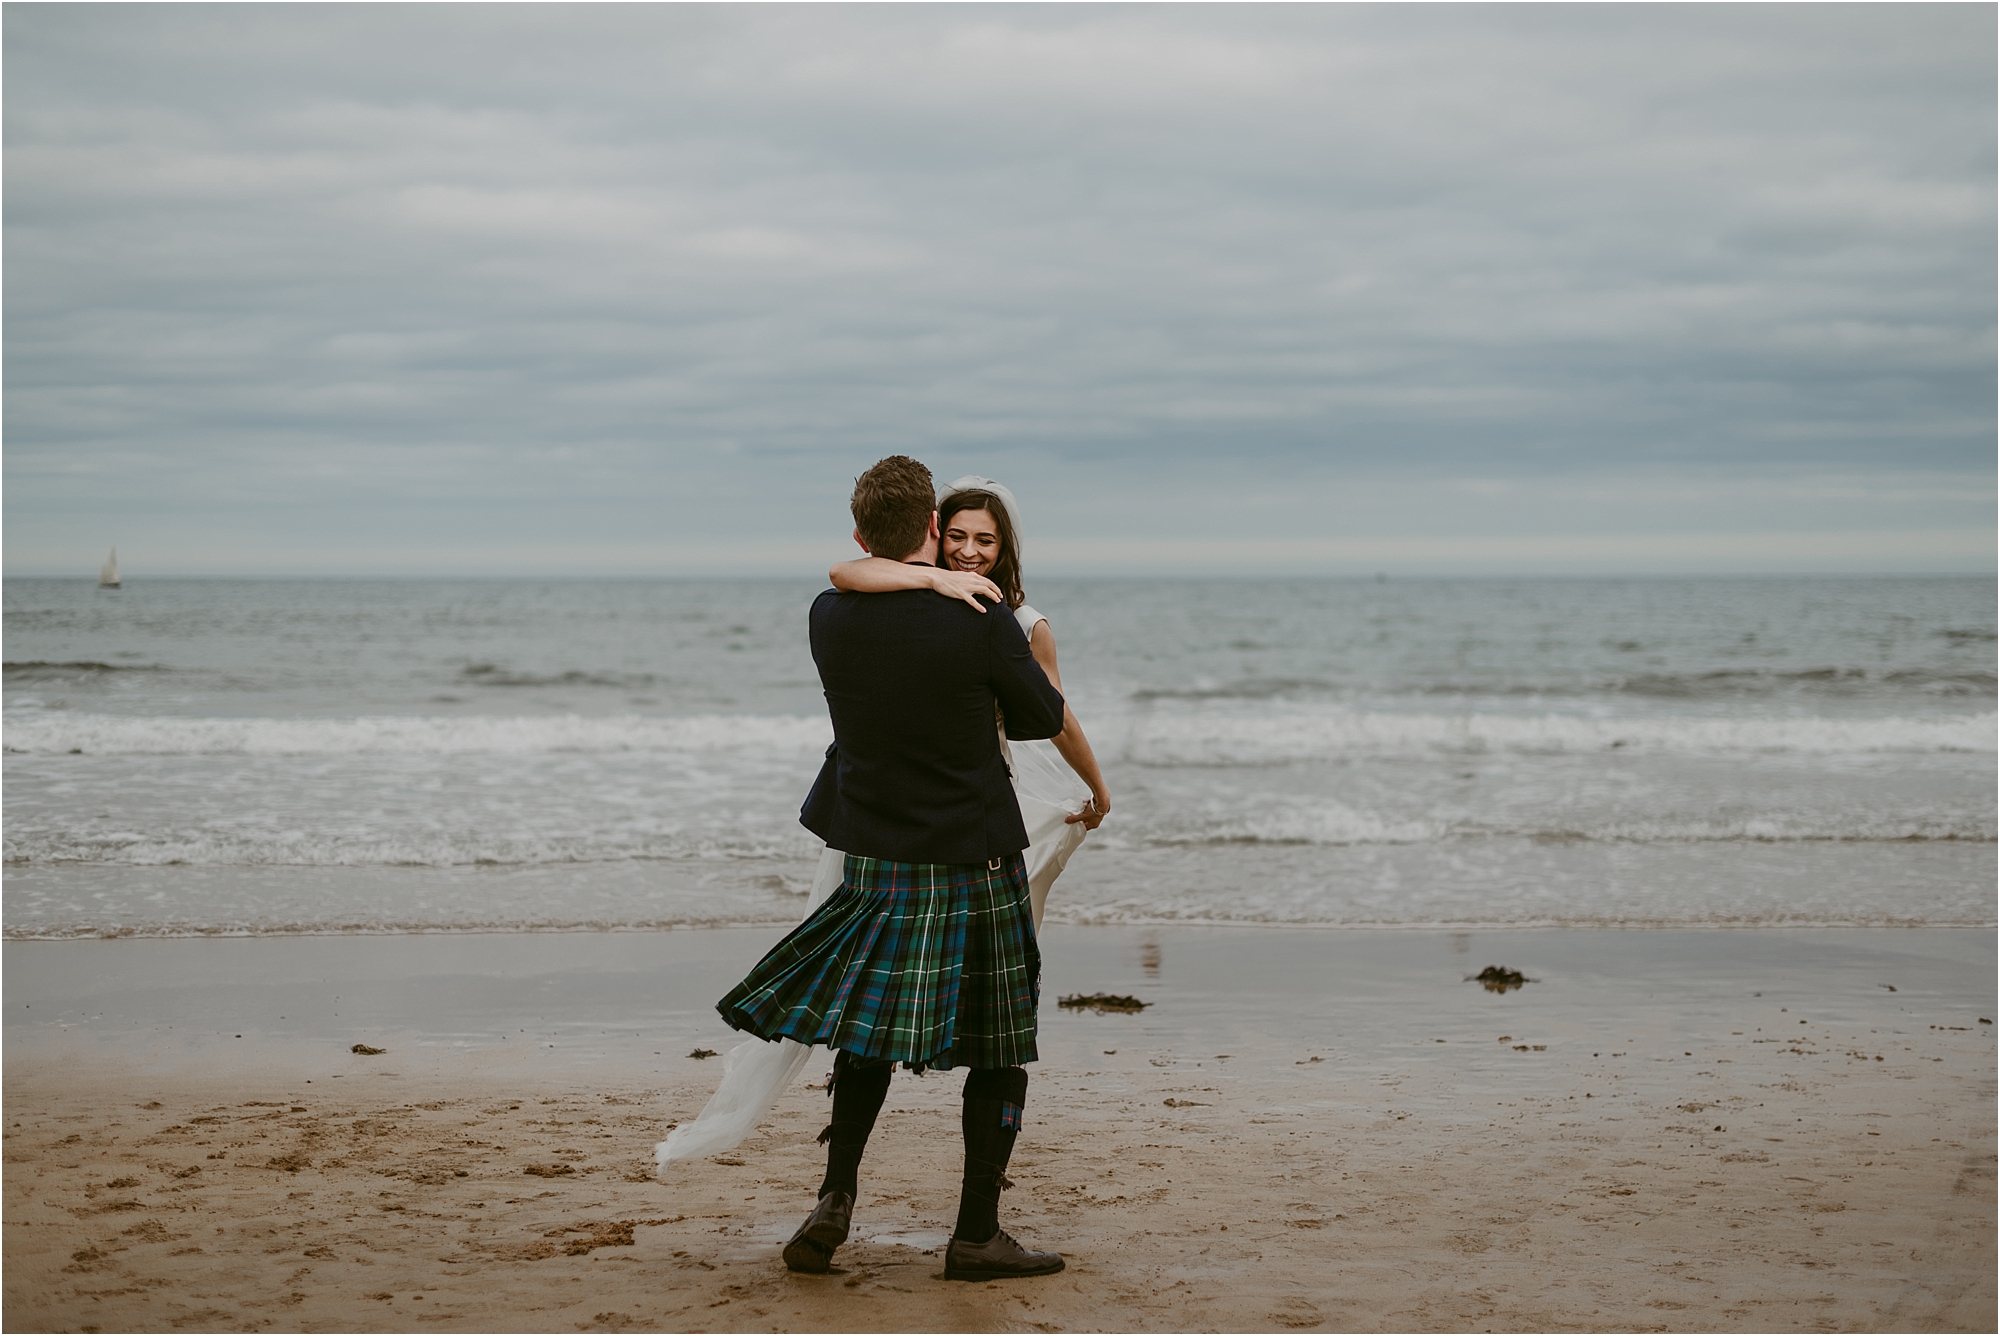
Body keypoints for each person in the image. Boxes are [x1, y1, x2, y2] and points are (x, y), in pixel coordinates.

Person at [712, 455, 1071, 1282]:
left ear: (860, 532)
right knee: (998, 1044)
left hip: (875, 856)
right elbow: (1039, 717)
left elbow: (848, 573)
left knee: (866, 1037)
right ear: (933, 535)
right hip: (972, 857)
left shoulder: (827, 615)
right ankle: (976, 1235)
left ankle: (834, 1200)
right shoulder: (981, 617)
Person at [829, 474, 1111, 925]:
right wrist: (937, 582)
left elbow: (1057, 716)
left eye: (986, 540)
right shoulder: (908, 589)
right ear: (936, 531)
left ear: (1004, 549)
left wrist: (1097, 787)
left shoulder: (1021, 623)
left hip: (979, 792)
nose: (968, 552)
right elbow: (842, 571)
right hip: (919, 795)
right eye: (957, 536)